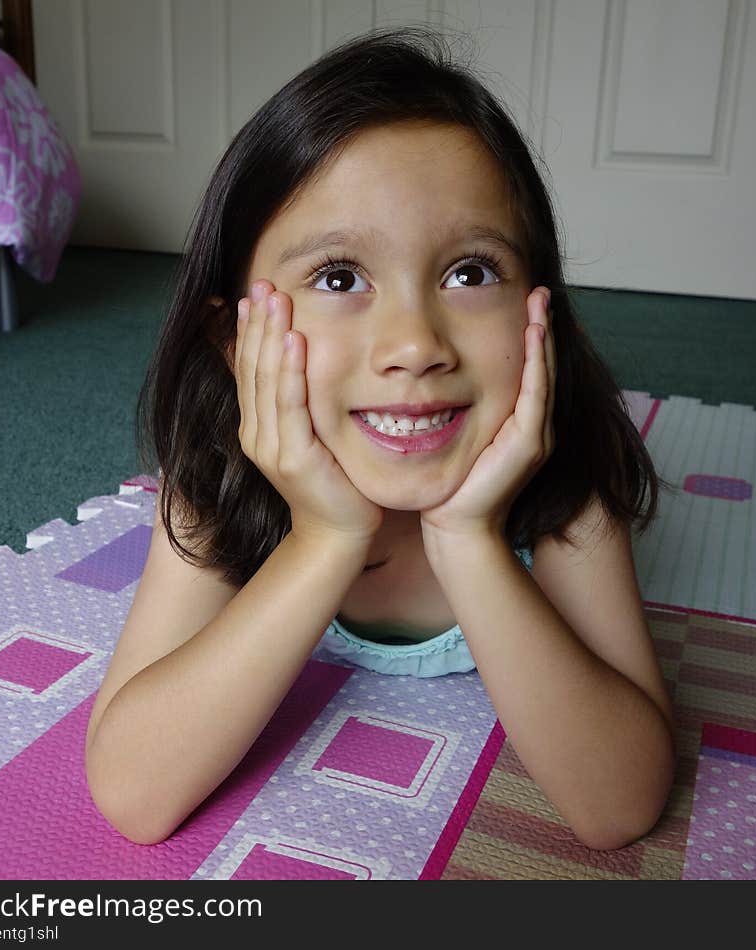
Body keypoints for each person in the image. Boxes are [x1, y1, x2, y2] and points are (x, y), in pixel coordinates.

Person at [84, 26, 676, 851]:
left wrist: (469, 536)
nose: (414, 344)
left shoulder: (569, 480)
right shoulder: (216, 484)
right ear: (232, 338)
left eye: (471, 272)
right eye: (338, 278)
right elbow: (134, 794)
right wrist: (326, 535)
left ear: (540, 308)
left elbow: (618, 805)